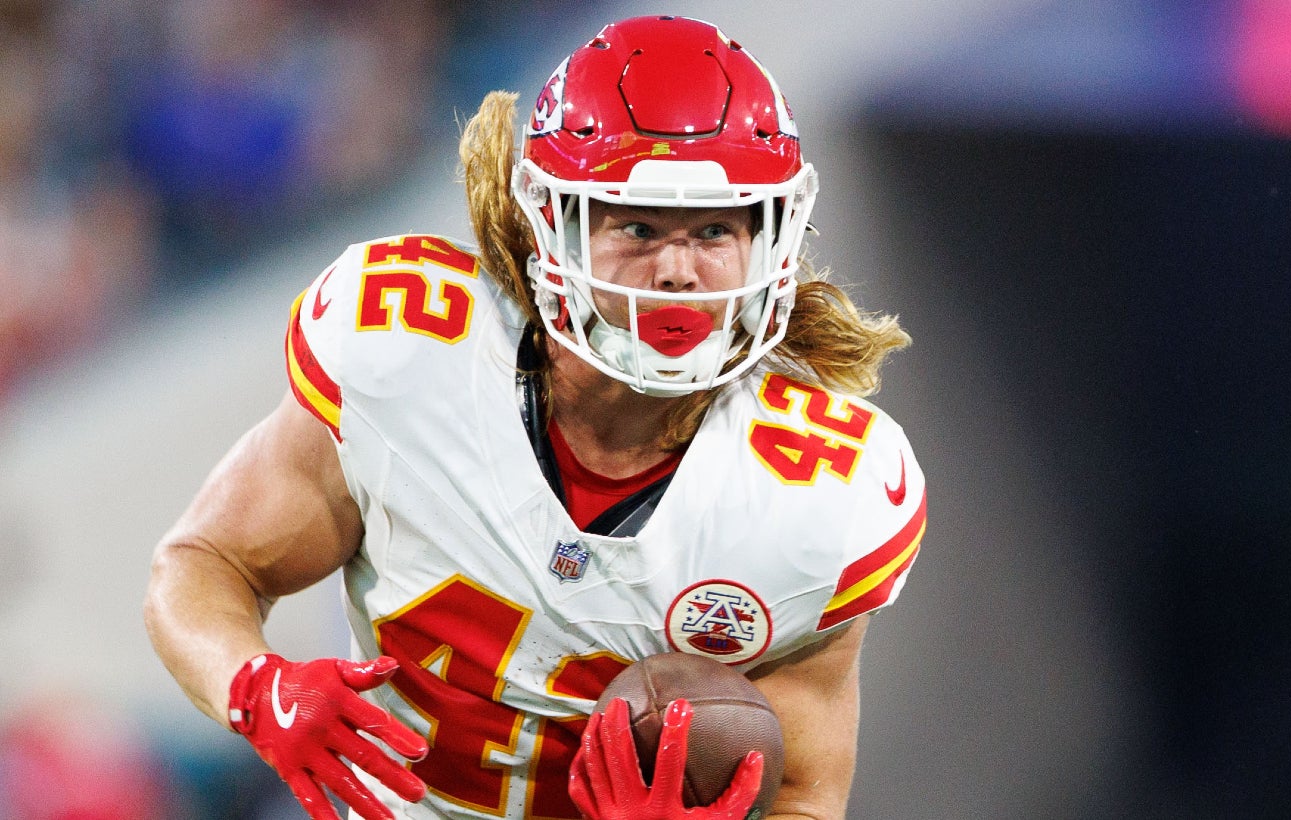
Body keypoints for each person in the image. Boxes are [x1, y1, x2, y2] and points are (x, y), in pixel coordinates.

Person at [144, 15, 926, 820]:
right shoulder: (408, 353)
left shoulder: (820, 494)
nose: (679, 271)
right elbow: (203, 562)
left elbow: (807, 800)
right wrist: (253, 686)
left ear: (773, 241)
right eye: (636, 225)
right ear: (551, 225)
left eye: (716, 229)